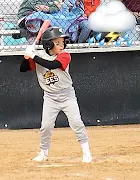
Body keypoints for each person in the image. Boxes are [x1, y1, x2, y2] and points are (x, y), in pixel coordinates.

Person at [20, 27, 92, 163]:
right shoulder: (39, 56)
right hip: (50, 97)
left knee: (76, 123)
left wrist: (34, 56)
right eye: (57, 42)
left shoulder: (65, 55)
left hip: (67, 95)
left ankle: (86, 153)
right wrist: (26, 56)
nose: (61, 45)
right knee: (46, 126)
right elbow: (23, 69)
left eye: (62, 42)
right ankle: (43, 153)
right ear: (48, 44)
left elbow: (52, 65)